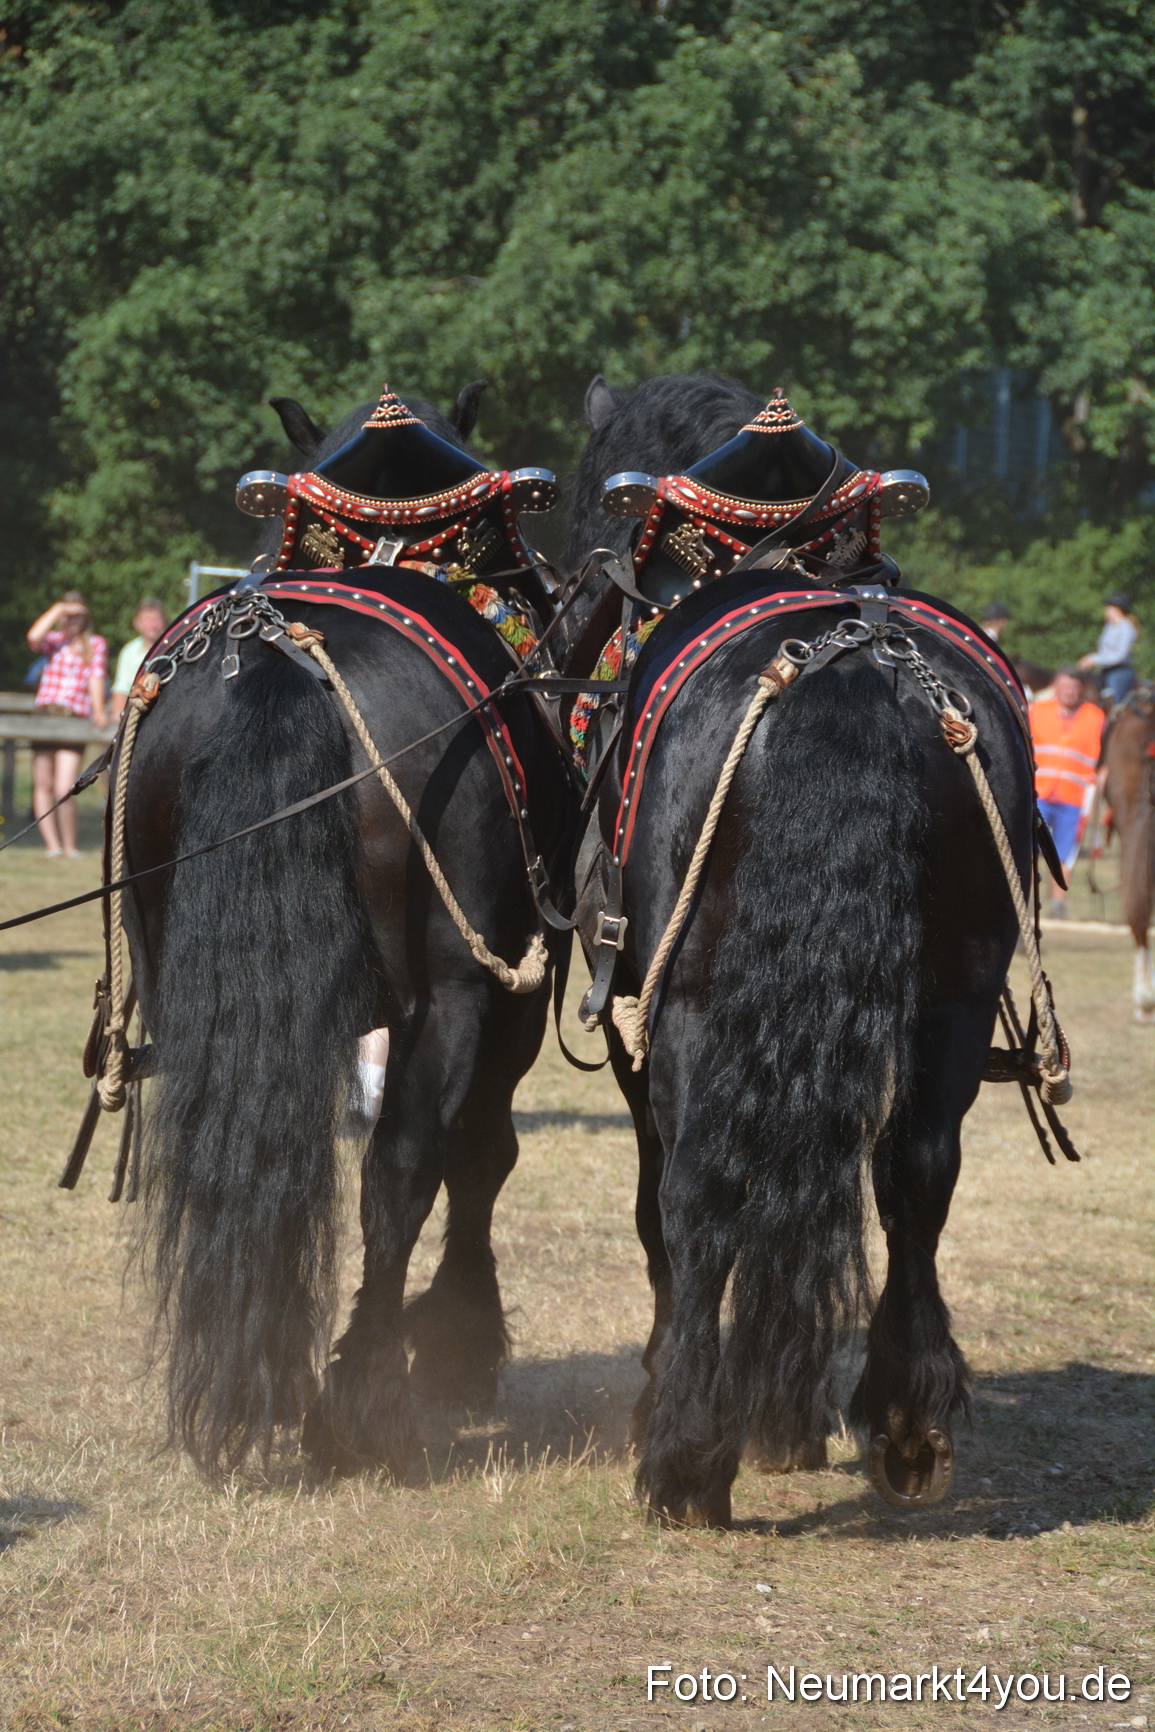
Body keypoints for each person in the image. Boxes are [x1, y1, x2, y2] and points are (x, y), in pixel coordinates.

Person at [26, 591, 109, 858]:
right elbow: (33, 636)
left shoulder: (95, 643)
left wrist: (98, 710)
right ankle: (53, 845)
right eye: (68, 616)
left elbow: (96, 677)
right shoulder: (54, 641)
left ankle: (70, 844)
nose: (73, 620)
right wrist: (60, 608)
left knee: (65, 785)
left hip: (73, 716)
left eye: (77, 615)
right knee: (42, 783)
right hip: (45, 715)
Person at [1029, 665, 1106, 916]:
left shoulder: (1095, 717)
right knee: (1029, 849)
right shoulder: (1037, 711)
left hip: (1073, 796)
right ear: (1055, 687)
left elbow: (1103, 757)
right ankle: (1026, 902)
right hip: (1038, 793)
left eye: (1073, 687)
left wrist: (1101, 780)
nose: (1068, 692)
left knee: (1065, 852)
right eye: (1064, 687)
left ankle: (1059, 905)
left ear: (1080, 689)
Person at [1077, 592, 1139, 705]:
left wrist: (1094, 659)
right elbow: (1104, 651)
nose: (1106, 611)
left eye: (1109, 608)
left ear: (1117, 609)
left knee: (1114, 702)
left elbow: (1120, 655)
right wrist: (1090, 659)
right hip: (1106, 669)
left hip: (1120, 671)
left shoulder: (1127, 628)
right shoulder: (1109, 626)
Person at [111, 596, 168, 719]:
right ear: (137, 623)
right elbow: (121, 688)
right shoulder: (129, 651)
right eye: (147, 620)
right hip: (136, 714)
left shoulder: (173, 649)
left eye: (156, 619)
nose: (152, 625)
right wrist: (118, 715)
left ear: (164, 621)